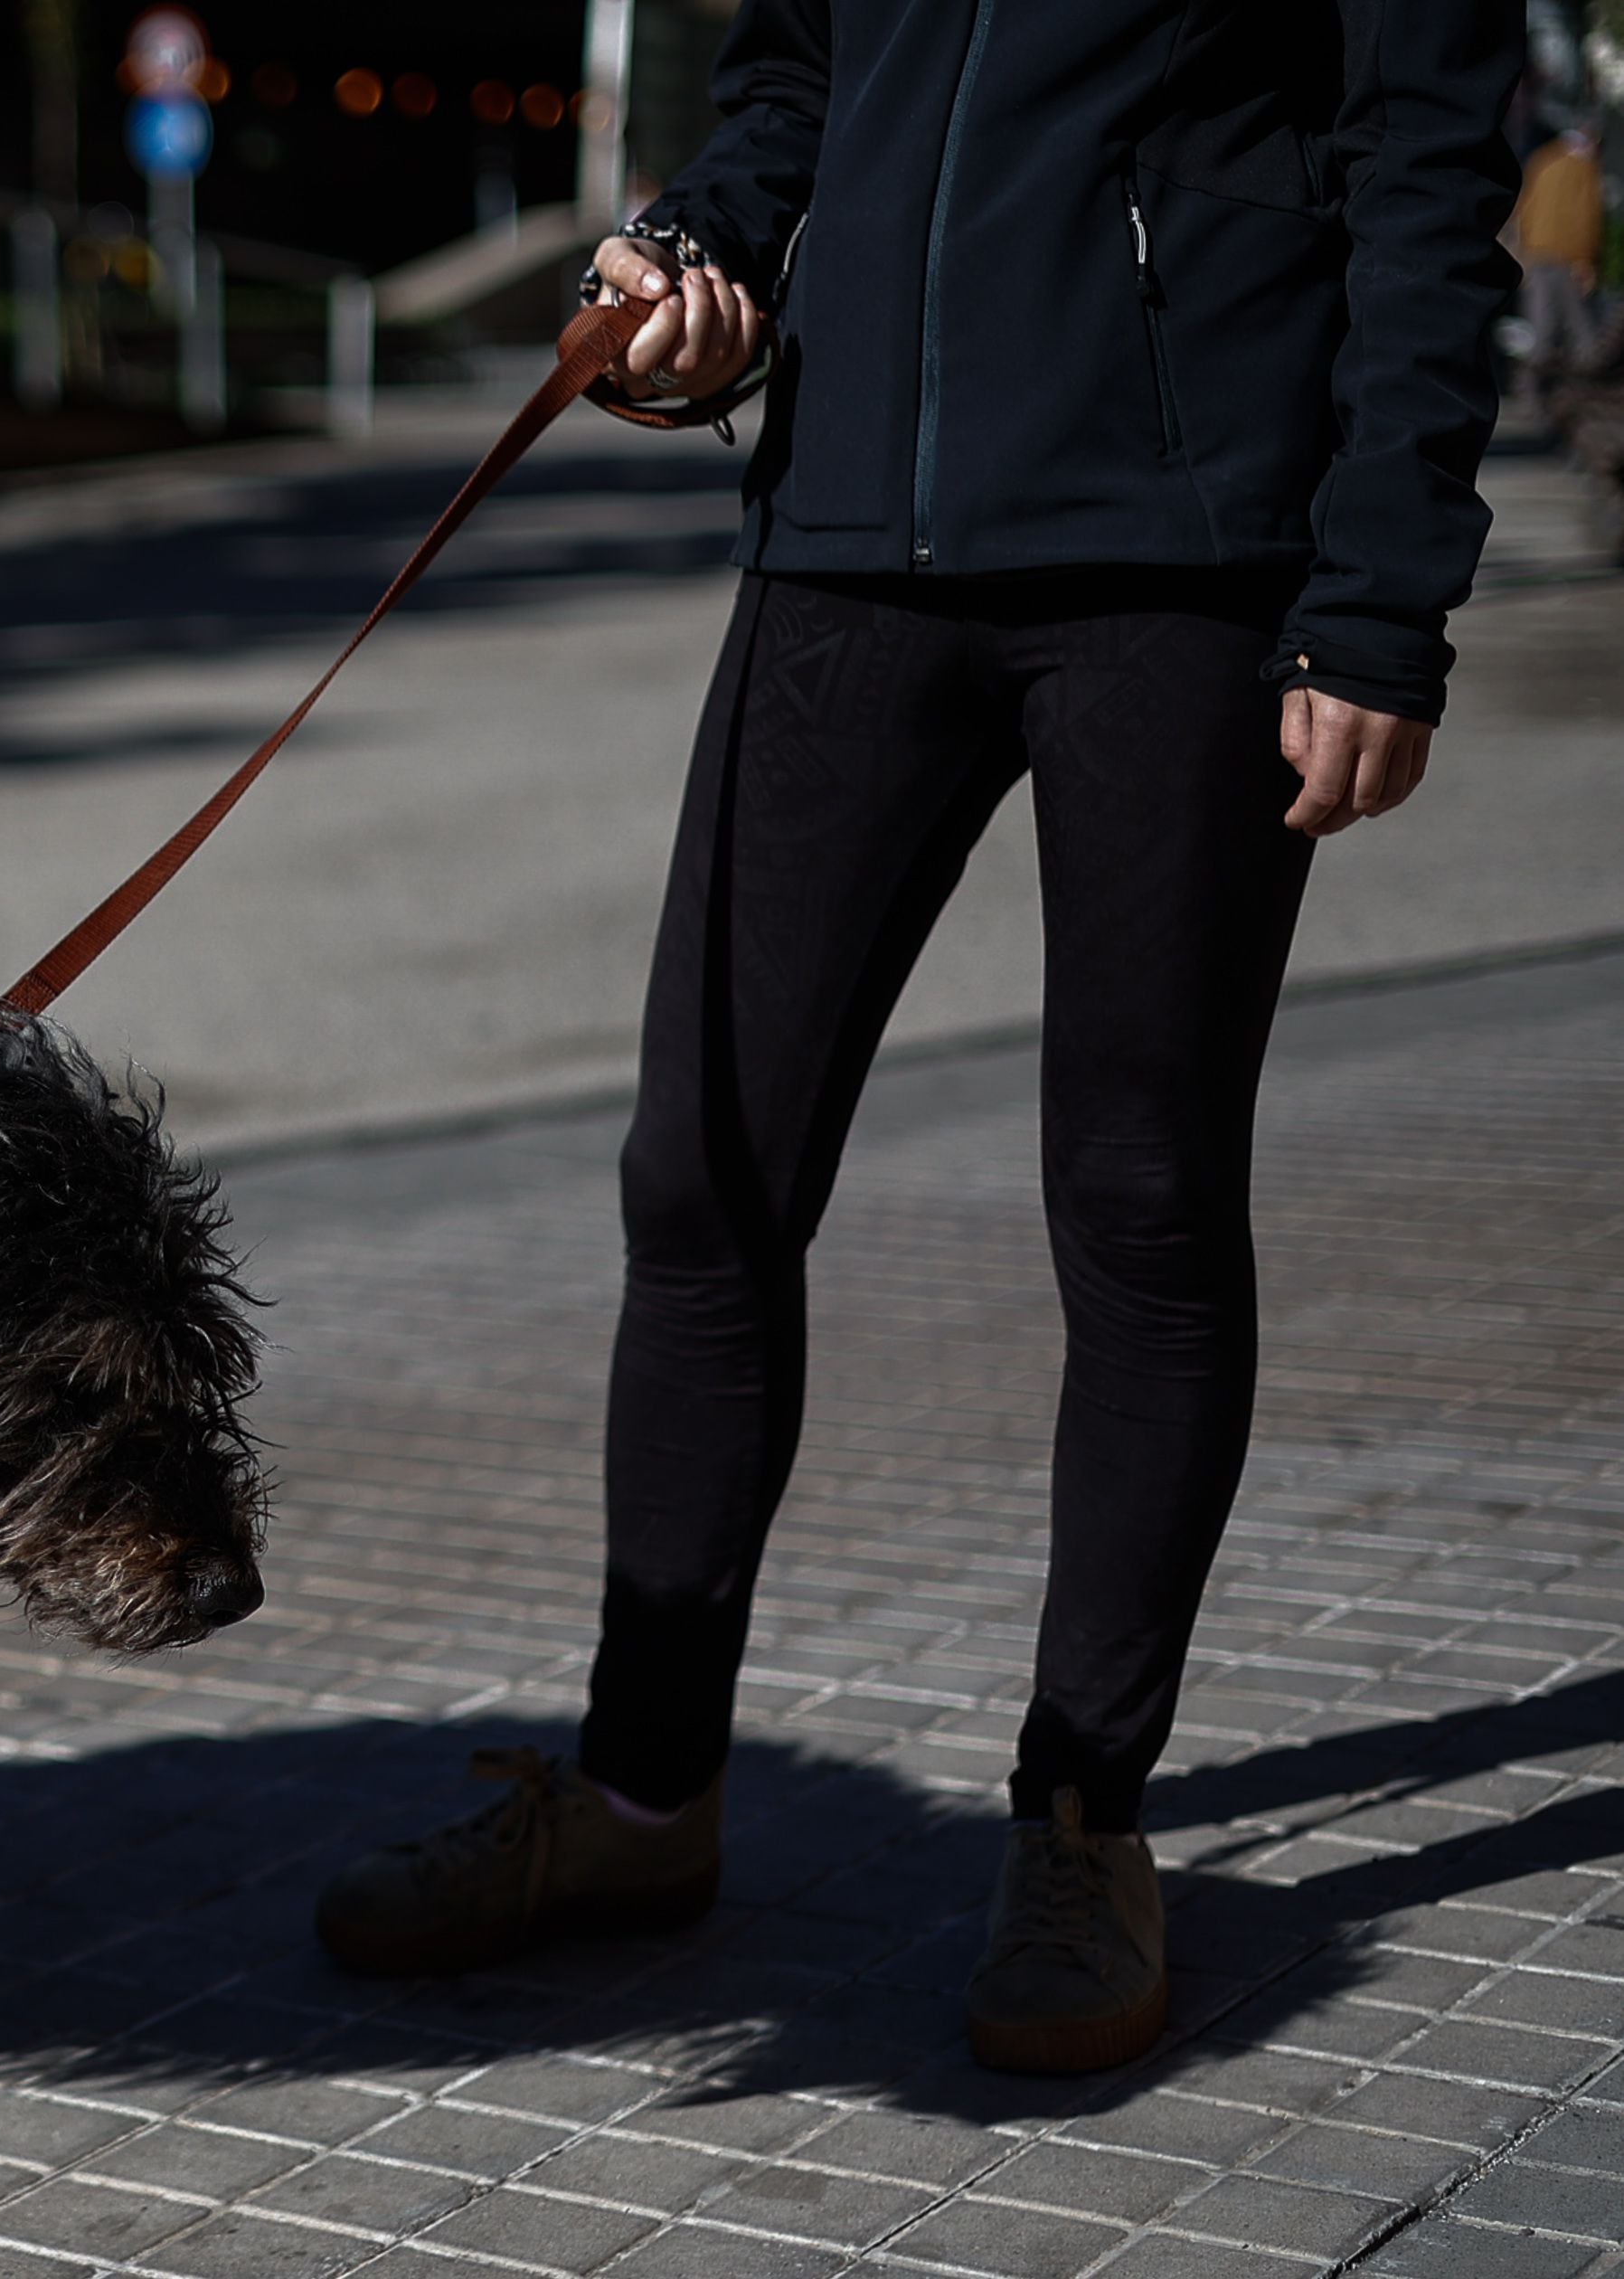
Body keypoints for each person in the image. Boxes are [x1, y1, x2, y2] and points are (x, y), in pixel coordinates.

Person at [315, 0, 1525, 2076]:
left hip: (1193, 555)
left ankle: (1084, 1822)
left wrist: (1386, 587)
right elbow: (798, 83)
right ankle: (637, 1801)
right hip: (848, 547)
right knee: (701, 1169)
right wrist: (709, 257)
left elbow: (1432, 164)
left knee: (1137, 1202)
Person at [1515, 127, 1605, 375]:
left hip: (1536, 253)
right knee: (1582, 332)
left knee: (1540, 326)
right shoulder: (1584, 170)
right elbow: (1586, 219)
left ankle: (1534, 394)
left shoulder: (1543, 159)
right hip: (1568, 257)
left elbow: (1526, 209)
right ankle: (1580, 392)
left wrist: (1525, 248)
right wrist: (1585, 260)